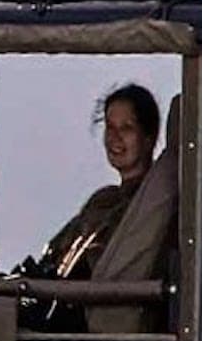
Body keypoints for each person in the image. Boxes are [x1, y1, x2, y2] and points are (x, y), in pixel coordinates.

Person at [25, 83, 161, 281]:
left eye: (127, 128)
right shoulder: (104, 200)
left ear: (149, 137)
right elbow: (53, 253)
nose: (115, 137)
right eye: (110, 127)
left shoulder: (147, 207)